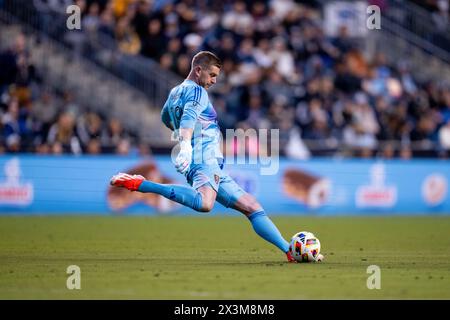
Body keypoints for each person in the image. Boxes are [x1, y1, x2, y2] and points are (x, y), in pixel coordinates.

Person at [110, 51, 322, 263]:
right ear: (198, 70)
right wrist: (186, 145)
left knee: (252, 207)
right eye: (211, 75)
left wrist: (188, 138)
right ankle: (142, 184)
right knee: (205, 204)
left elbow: (167, 118)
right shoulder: (197, 93)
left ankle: (289, 251)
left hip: (209, 163)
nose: (213, 81)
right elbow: (188, 119)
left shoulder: (175, 92)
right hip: (203, 159)